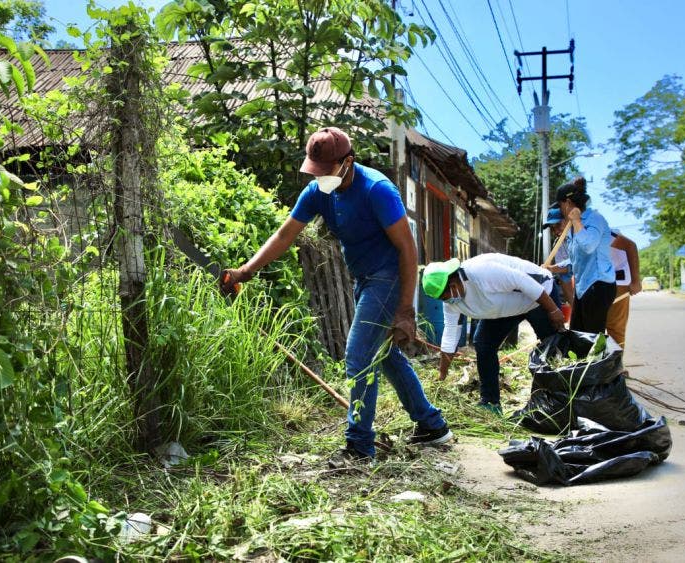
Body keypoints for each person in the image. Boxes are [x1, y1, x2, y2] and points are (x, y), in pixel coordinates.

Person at [221, 127, 452, 465]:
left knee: (358, 357)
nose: (320, 178)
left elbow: (407, 249)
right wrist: (246, 270)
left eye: (326, 170)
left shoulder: (377, 190)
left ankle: (359, 447)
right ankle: (431, 426)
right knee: (384, 357)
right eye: (316, 171)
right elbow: (285, 234)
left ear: (348, 162)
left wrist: (405, 310)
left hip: (388, 278)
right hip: (363, 279)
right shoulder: (318, 192)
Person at [421, 254, 565, 415]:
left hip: (539, 296)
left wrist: (552, 310)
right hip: (506, 308)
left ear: (453, 282)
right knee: (483, 344)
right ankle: (490, 403)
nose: (447, 301)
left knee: (552, 347)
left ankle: (559, 401)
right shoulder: (450, 303)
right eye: (441, 299)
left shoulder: (481, 272)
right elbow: (450, 335)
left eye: (445, 296)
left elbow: (522, 281)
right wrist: (442, 374)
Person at [555, 177, 616, 334]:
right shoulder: (571, 227)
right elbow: (577, 258)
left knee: (592, 337)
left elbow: (589, 246)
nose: (561, 211)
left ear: (568, 203)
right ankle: (584, 359)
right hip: (582, 288)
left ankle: (602, 359)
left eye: (561, 206)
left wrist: (576, 220)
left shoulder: (594, 219)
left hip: (598, 285)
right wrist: (554, 268)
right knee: (577, 334)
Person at [605, 230, 641, 348]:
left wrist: (635, 281)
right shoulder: (568, 239)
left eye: (558, 225)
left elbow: (630, 245)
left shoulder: (595, 228)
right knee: (593, 327)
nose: (556, 230)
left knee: (615, 327)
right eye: (553, 228)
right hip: (595, 282)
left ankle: (616, 363)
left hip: (617, 281)